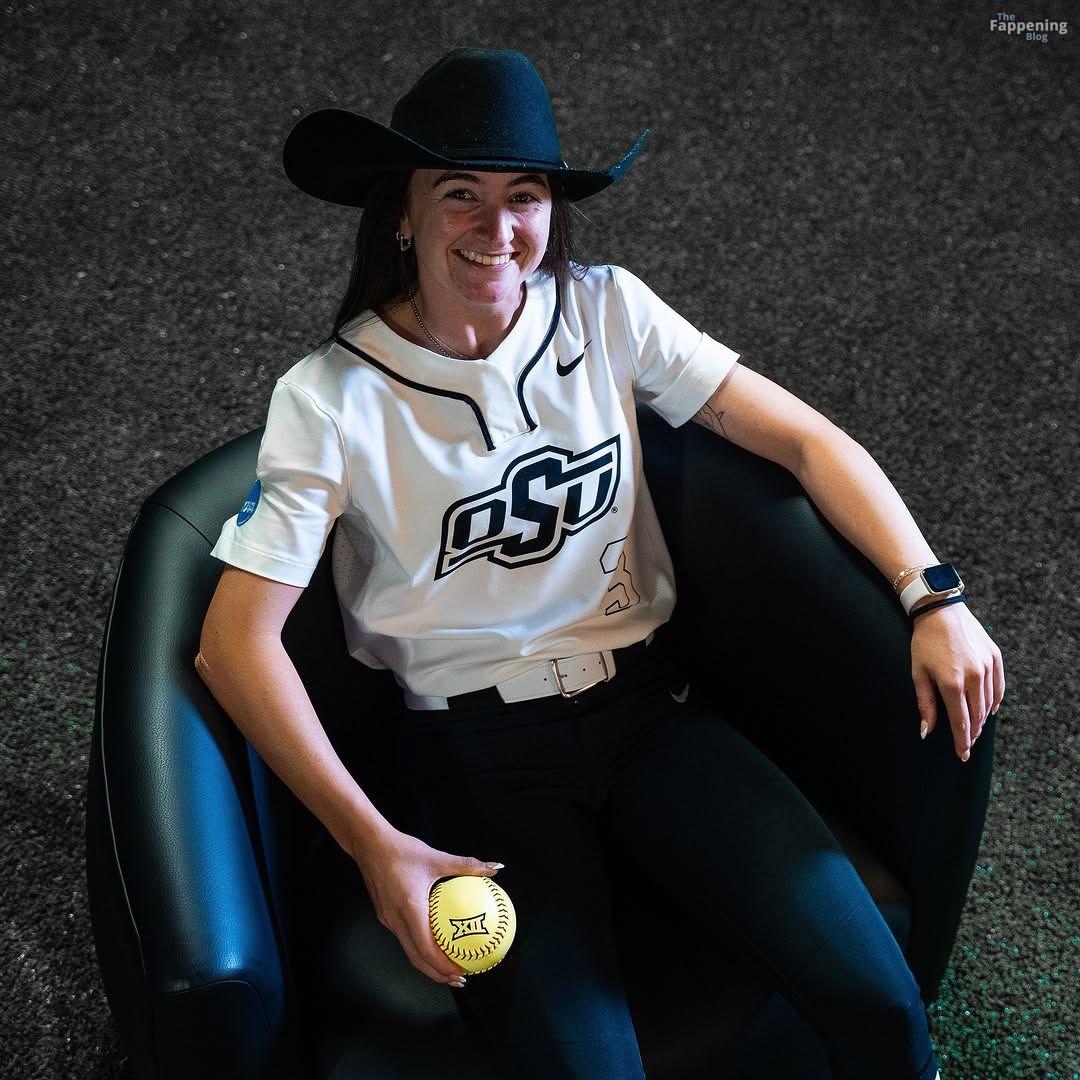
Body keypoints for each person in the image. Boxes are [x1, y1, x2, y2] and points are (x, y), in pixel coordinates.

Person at [196, 47, 1004, 1080]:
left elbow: (806, 441)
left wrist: (932, 595)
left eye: (523, 196)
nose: (498, 229)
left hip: (649, 716)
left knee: (881, 1001)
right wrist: (373, 842)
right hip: (476, 759)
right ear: (401, 212)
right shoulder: (327, 398)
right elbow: (233, 644)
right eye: (460, 193)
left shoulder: (607, 308)